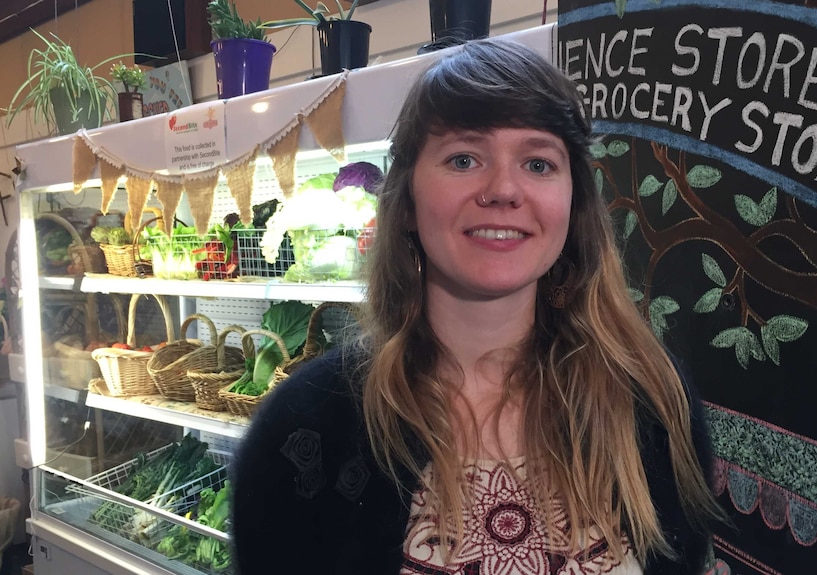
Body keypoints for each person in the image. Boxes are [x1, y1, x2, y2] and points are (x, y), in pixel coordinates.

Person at [231, 38, 723, 575]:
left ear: (572, 204)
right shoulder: (306, 430)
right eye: (464, 158)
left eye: (538, 163)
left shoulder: (651, 401)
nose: (504, 189)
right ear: (409, 204)